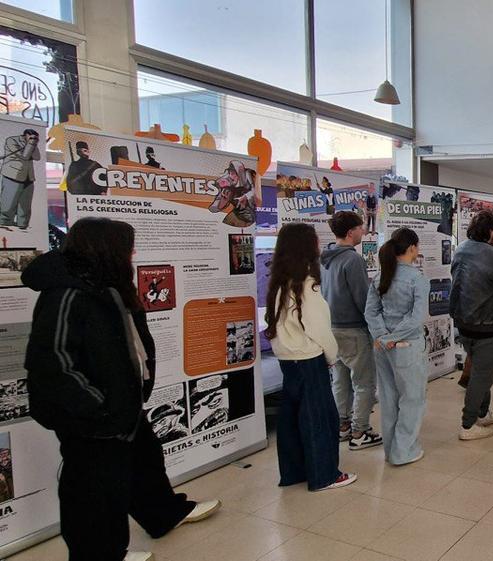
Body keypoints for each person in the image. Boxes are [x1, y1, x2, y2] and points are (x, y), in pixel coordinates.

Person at [24, 217, 220, 561]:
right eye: (127, 246)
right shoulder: (66, 294)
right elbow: (53, 363)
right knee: (93, 492)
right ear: (106, 249)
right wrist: (98, 405)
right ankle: (101, 554)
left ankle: (162, 514)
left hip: (121, 407)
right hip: (93, 418)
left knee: (144, 461)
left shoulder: (107, 285)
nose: (133, 253)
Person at [265, 223, 356, 492]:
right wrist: (331, 355)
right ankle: (324, 475)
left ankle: (295, 472)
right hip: (309, 359)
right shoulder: (307, 285)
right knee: (320, 419)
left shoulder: (278, 283)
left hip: (287, 359)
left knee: (292, 419)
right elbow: (319, 330)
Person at [366, 227, 431, 466]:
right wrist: (393, 337)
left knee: (389, 397)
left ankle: (390, 449)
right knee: (412, 399)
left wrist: (383, 337)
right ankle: (404, 451)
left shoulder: (380, 276)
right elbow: (416, 319)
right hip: (407, 346)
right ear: (412, 248)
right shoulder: (417, 279)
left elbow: (370, 312)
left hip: (383, 348)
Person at [320, 211, 382, 451]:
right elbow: (362, 298)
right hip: (354, 330)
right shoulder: (352, 260)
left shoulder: (325, 258)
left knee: (341, 381)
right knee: (364, 382)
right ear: (350, 232)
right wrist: (375, 326)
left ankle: (343, 426)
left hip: (332, 329)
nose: (363, 231)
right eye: (360, 228)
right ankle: (360, 431)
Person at [450, 211, 493, 440]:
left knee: (479, 369)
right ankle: (468, 424)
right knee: (483, 375)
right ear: (491, 231)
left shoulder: (461, 249)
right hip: (487, 323)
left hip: (463, 320)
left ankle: (482, 414)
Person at [0, 127, 39, 229]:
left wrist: (34, 144)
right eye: (32, 137)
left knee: (25, 203)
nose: (33, 139)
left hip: (28, 176)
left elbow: (37, 157)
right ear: (25, 135)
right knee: (8, 202)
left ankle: (23, 224)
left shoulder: (33, 143)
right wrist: (30, 144)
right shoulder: (12, 140)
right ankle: (5, 222)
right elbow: (24, 156)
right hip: (13, 174)